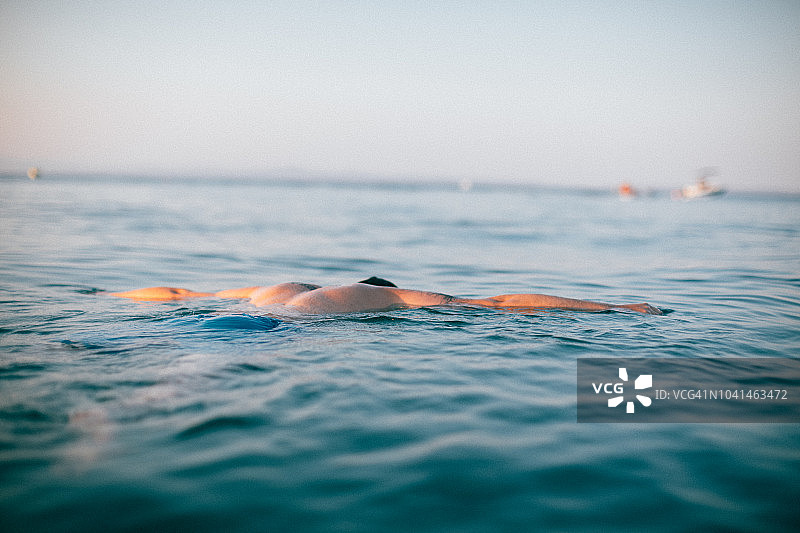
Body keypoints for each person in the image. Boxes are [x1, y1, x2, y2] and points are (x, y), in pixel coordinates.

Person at [112, 276, 662, 315]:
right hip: (275, 334)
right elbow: (503, 303)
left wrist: (108, 296)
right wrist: (616, 307)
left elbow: (176, 292)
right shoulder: (383, 297)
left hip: (233, 318)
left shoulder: (270, 288)